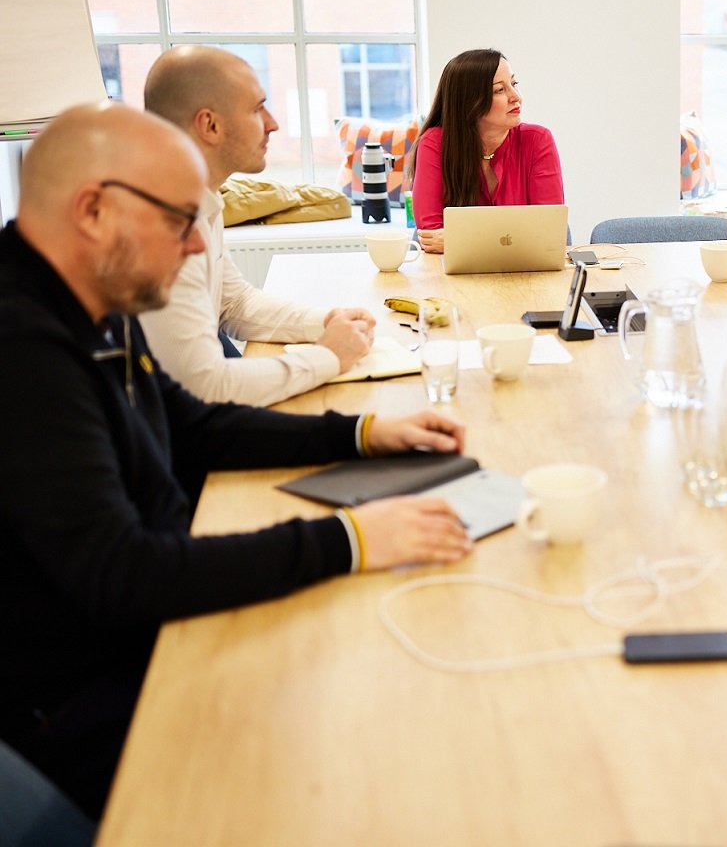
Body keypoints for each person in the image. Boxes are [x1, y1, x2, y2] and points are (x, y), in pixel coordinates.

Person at [0, 103, 475, 819]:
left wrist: (361, 434)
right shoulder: (22, 347)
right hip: (94, 701)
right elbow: (122, 574)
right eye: (178, 220)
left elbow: (191, 427)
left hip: (154, 633)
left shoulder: (92, 296)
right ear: (93, 212)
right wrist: (349, 539)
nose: (197, 247)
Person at [141, 45, 377, 407]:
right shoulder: (161, 229)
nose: (273, 123)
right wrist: (328, 357)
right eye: (257, 108)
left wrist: (325, 321)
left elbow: (233, 304)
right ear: (210, 125)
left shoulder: (202, 198)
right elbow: (203, 387)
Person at [410, 48, 564, 254]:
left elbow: (549, 232)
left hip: (524, 275)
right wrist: (514, 240)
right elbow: (431, 235)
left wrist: (458, 241)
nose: (516, 97)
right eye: (500, 90)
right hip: (454, 281)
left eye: (514, 84)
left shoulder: (538, 140)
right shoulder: (435, 143)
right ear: (469, 102)